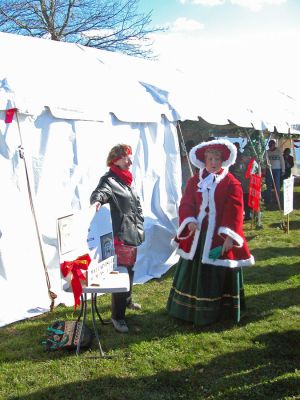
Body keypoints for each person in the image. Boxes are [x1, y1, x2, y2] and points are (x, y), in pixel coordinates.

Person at [166, 139, 255, 326]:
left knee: (217, 272)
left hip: (218, 235)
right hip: (197, 236)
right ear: (204, 161)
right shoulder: (194, 181)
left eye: (217, 159)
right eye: (210, 159)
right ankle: (186, 310)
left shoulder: (232, 183)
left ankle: (218, 311)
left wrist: (229, 237)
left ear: (223, 160)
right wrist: (189, 220)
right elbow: (186, 203)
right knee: (192, 271)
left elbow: (235, 210)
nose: (213, 162)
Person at [90, 144, 145, 333]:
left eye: (130, 157)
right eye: (125, 158)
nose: (129, 161)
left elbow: (134, 203)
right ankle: (117, 317)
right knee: (122, 274)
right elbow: (101, 192)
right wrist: (97, 200)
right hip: (121, 234)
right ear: (115, 159)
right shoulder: (109, 179)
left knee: (130, 269)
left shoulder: (126, 179)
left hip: (132, 231)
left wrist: (140, 219)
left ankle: (127, 300)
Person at [229, 142, 251, 221]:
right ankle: (244, 214)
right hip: (241, 184)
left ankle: (246, 214)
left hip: (243, 184)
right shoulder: (238, 159)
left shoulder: (243, 161)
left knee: (244, 199)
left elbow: (236, 171)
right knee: (243, 199)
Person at [265, 139, 285, 205]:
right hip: (269, 169)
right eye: (269, 145)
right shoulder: (267, 152)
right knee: (269, 185)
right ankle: (269, 199)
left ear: (274, 145)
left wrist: (283, 170)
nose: (270, 147)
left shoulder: (278, 151)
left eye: (271, 145)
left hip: (277, 170)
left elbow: (282, 161)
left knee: (277, 185)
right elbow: (264, 161)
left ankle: (277, 199)